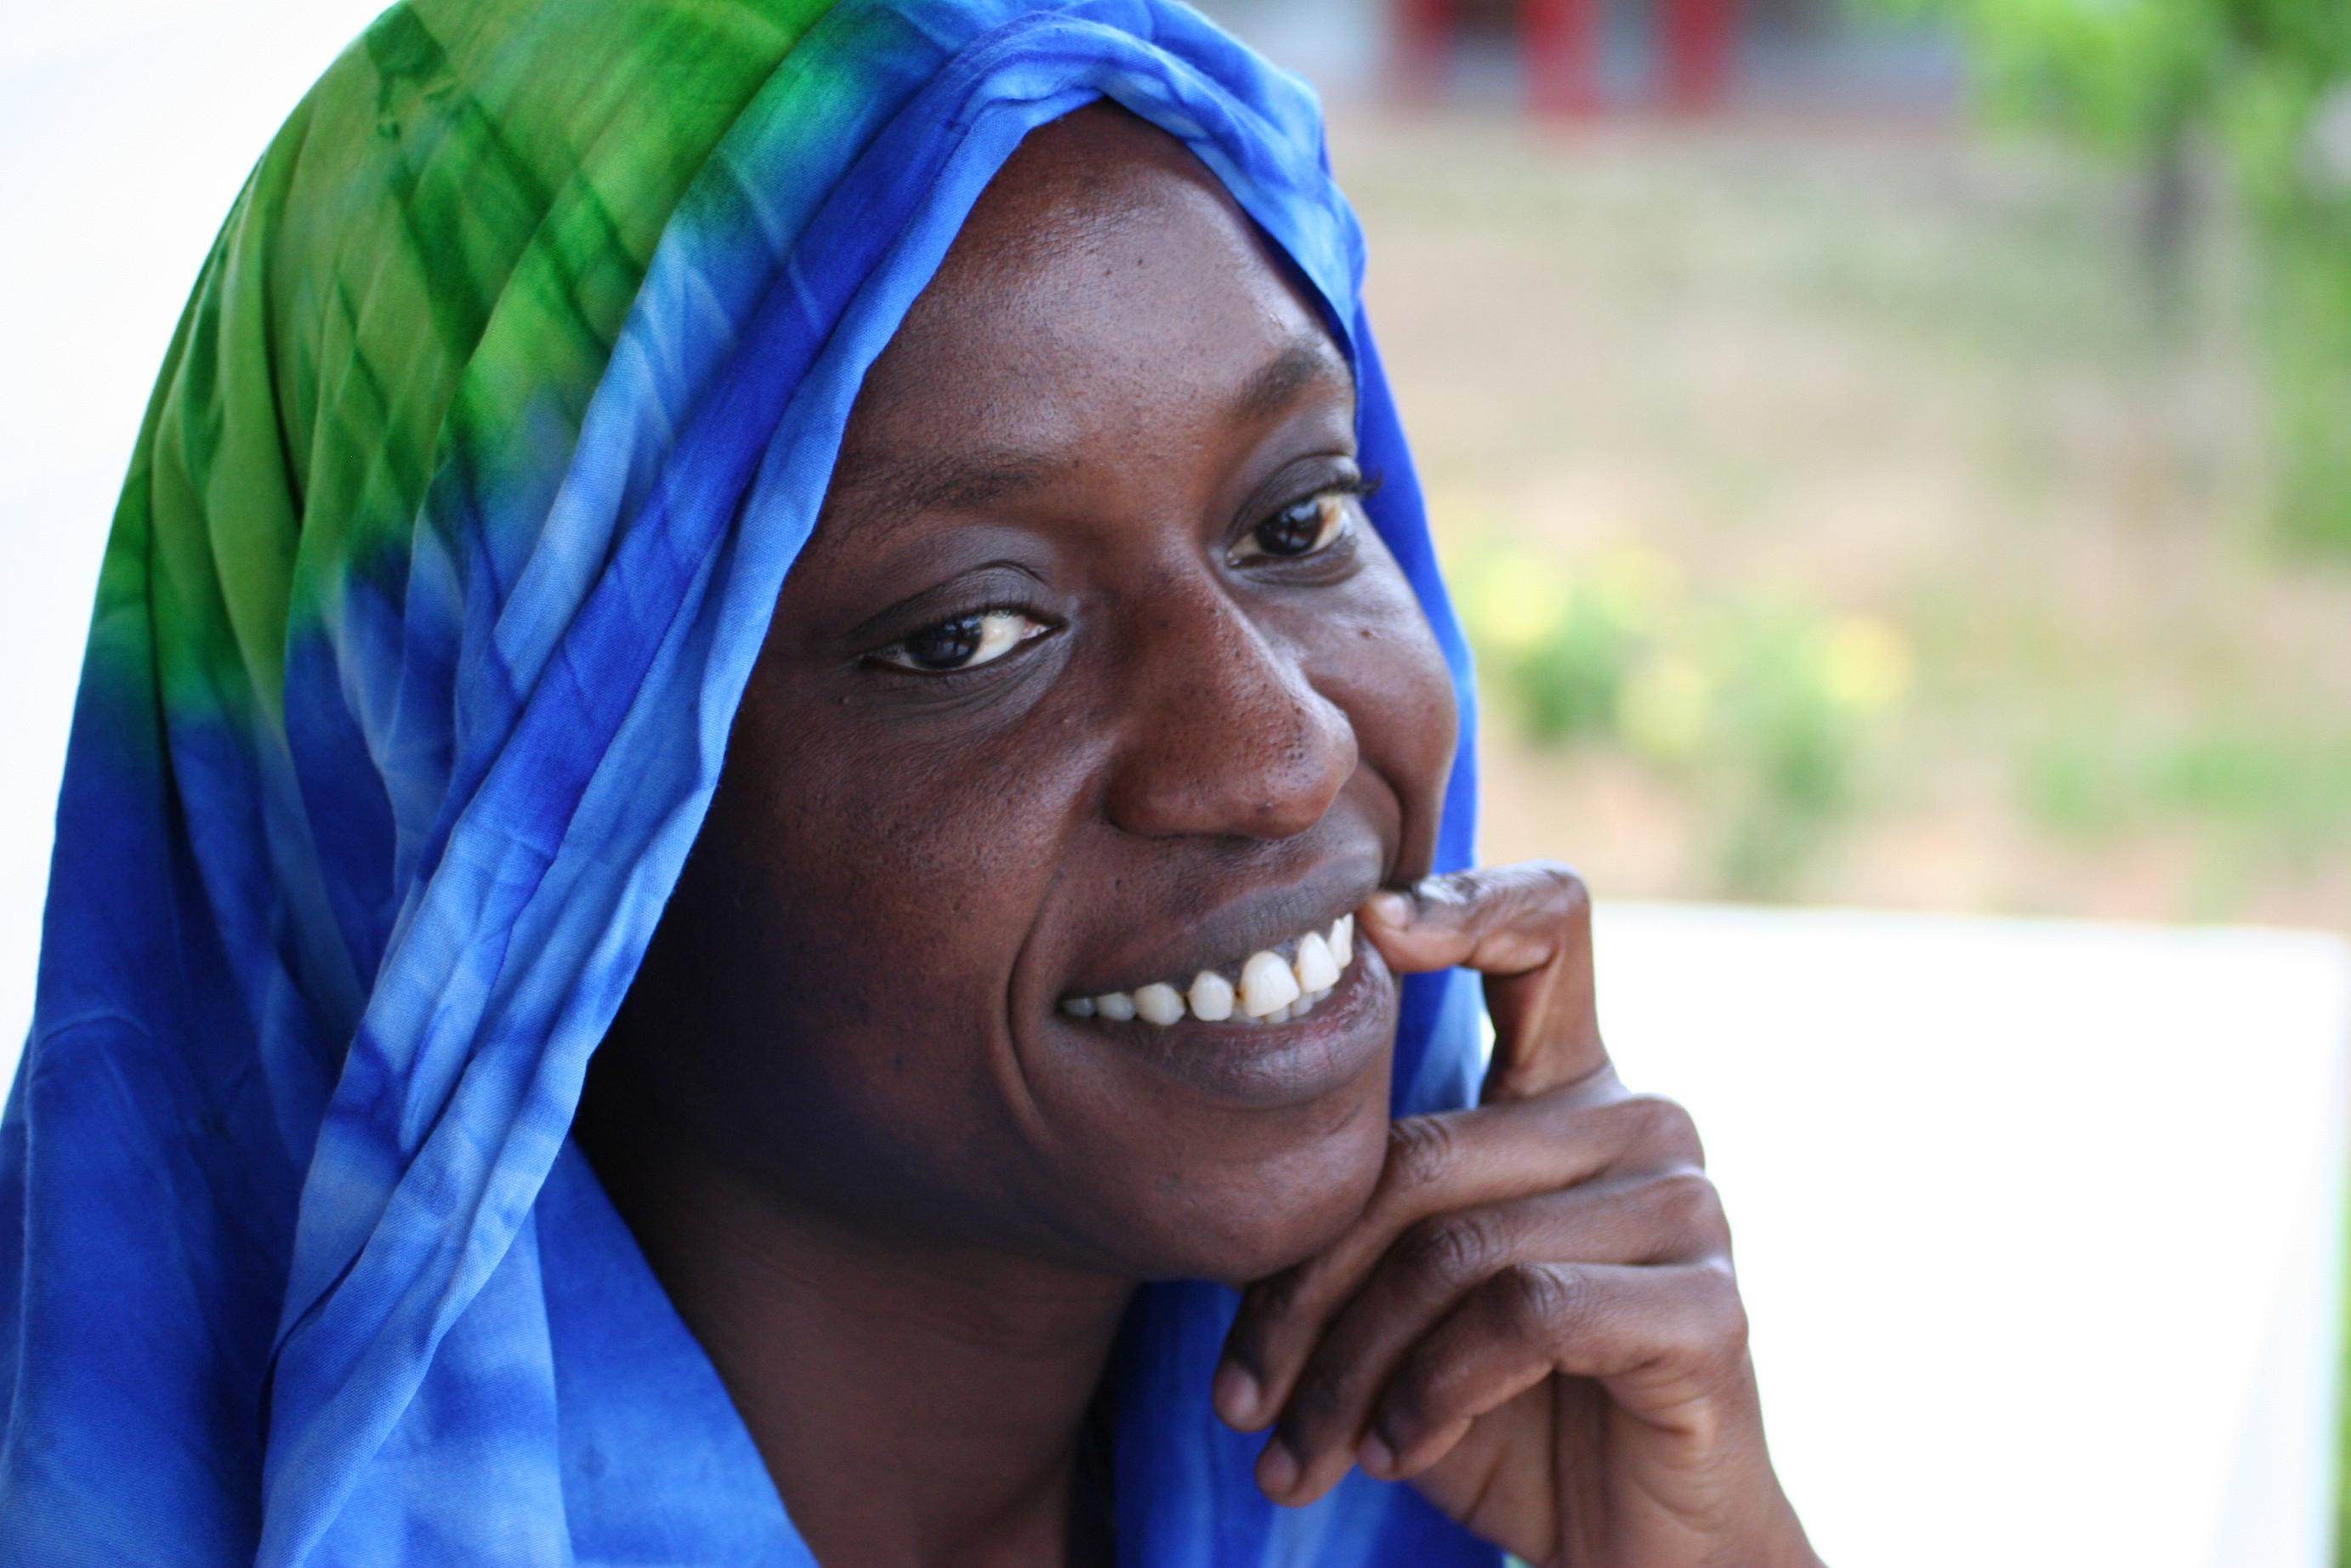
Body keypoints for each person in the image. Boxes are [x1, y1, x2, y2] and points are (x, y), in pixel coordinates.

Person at [0, 2, 1819, 1565]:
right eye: (967, 635)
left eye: (1296, 521)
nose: (1279, 752)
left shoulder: (1439, 1476)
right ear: (521, 835)